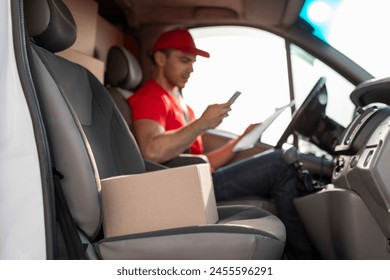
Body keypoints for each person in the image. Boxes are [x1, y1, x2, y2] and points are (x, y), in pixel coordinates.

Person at [128, 28, 316, 259]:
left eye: (193, 62)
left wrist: (241, 140)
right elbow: (152, 150)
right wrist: (202, 123)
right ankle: (305, 259)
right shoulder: (152, 96)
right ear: (160, 58)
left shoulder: (183, 105)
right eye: (184, 60)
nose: (191, 69)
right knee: (281, 163)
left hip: (201, 179)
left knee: (280, 162)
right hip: (185, 190)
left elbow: (201, 161)